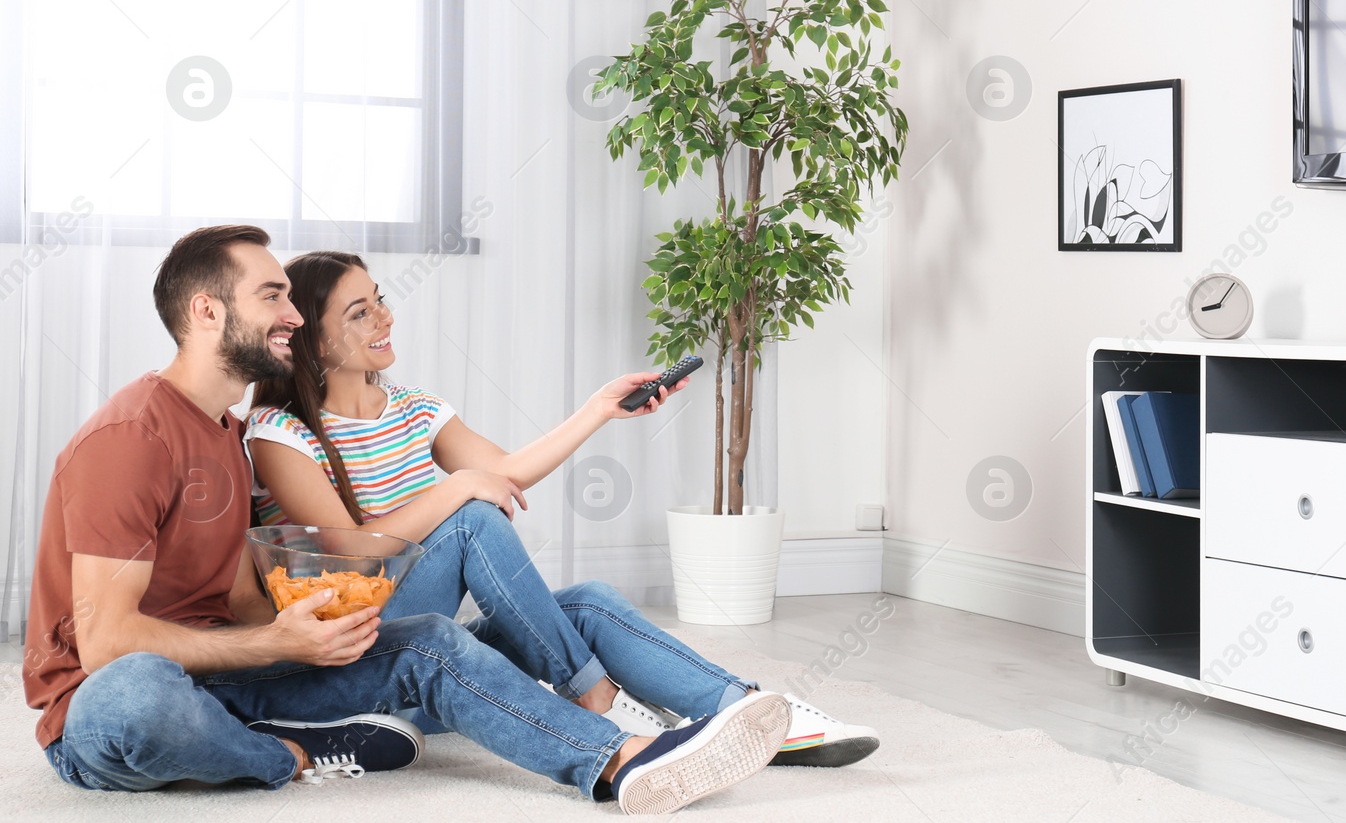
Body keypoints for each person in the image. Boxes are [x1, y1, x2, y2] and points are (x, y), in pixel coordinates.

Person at [22, 225, 793, 814]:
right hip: (109, 702)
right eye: (272, 296)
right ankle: (287, 754)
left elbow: (234, 601)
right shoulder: (131, 437)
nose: (291, 312)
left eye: (292, 296)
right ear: (205, 310)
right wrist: (274, 640)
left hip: (228, 671)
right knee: (140, 694)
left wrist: (314, 626)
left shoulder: (225, 434)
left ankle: (618, 758)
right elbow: (108, 641)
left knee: (433, 640)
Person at [246, 249, 879, 767]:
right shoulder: (280, 432)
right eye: (359, 313)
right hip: (357, 653)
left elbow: (506, 472)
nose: (383, 317)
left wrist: (599, 408)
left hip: (426, 632)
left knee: (588, 603)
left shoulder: (411, 407)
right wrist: (458, 487)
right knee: (471, 518)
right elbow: (353, 549)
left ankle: (757, 712)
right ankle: (596, 698)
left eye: (380, 298)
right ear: (312, 337)